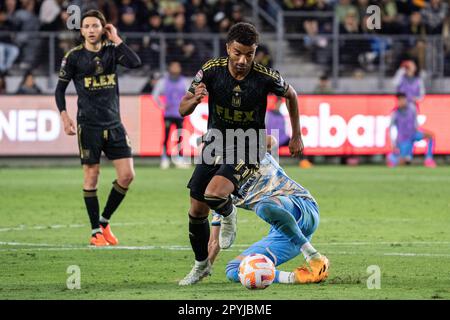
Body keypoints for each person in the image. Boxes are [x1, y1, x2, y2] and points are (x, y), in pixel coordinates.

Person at [178, 22, 304, 286]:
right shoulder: (211, 71)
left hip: (249, 145)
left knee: (214, 194)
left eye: (249, 54)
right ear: (228, 49)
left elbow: (291, 95)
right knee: (196, 209)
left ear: (255, 51)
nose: (243, 60)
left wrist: (296, 135)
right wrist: (195, 99)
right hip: (216, 144)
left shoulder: (265, 76)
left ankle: (228, 214)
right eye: (237, 53)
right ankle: (201, 265)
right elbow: (182, 109)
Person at [54, 10, 142, 246]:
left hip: (114, 124)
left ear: (103, 28)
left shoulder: (112, 52)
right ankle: (95, 233)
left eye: (95, 26)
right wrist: (65, 117)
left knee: (127, 175)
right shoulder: (73, 57)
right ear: (81, 31)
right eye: (87, 26)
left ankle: (104, 222)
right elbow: (59, 90)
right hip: (88, 126)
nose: (91, 30)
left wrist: (117, 39)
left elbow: (136, 63)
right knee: (91, 176)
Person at [204, 135, 329, 285]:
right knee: (234, 270)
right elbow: (214, 241)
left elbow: (272, 140)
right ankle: (298, 278)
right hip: (284, 234)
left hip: (302, 208)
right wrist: (204, 268)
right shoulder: (220, 193)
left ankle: (313, 256)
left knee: (264, 207)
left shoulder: (249, 153)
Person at [152, 60, 190, 169]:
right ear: (170, 68)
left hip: (180, 114)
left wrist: (186, 106)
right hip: (168, 114)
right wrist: (162, 106)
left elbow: (189, 95)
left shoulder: (184, 81)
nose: (175, 69)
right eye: (173, 67)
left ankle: (179, 157)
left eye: (177, 67)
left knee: (180, 137)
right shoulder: (163, 81)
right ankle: (164, 158)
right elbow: (155, 95)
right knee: (166, 136)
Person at [387, 93, 436, 168]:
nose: (401, 102)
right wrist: (393, 144)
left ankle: (428, 159)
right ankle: (392, 158)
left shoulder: (412, 108)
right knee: (405, 161)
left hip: (413, 134)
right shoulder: (395, 113)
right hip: (403, 139)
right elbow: (390, 129)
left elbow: (415, 123)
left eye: (403, 99)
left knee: (430, 136)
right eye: (399, 100)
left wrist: (420, 131)